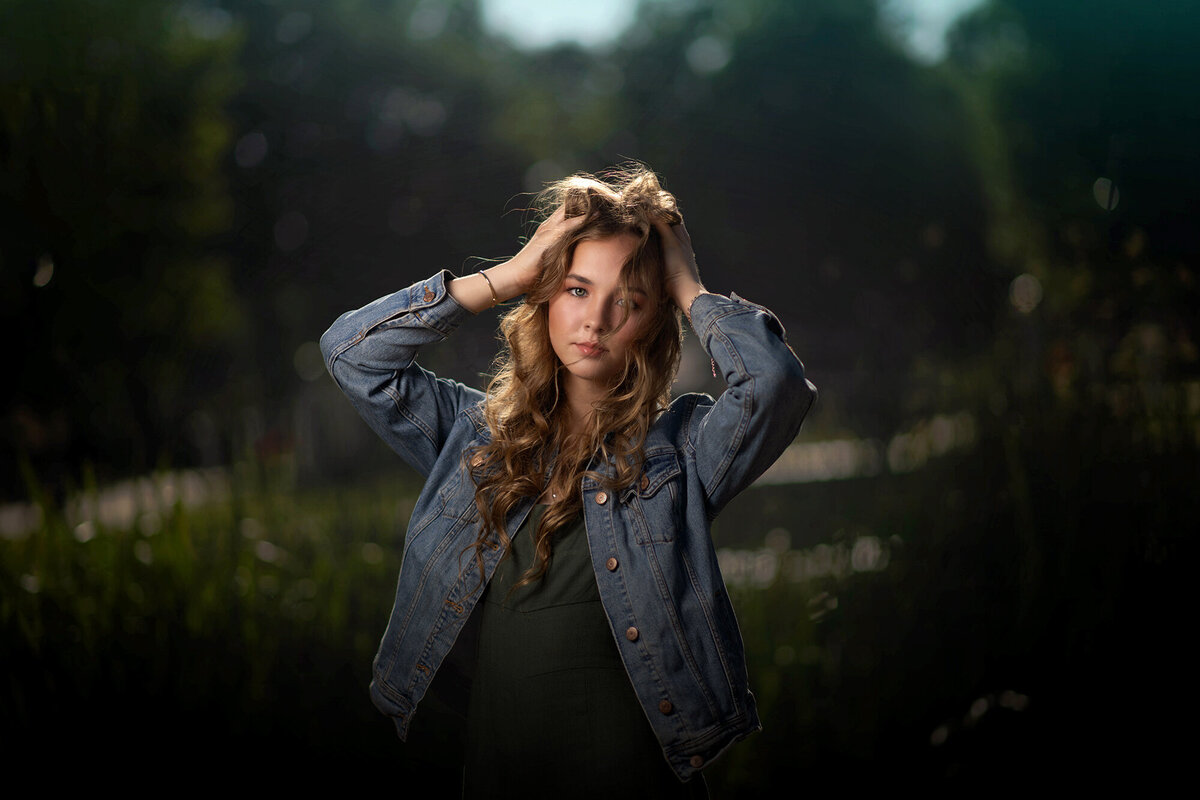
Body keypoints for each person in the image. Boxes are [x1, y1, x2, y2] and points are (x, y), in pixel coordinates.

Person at [320, 165, 816, 797]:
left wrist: (687, 285)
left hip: (628, 782)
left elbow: (776, 387)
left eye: (629, 301)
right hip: (499, 777)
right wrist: (509, 275)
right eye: (578, 290)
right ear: (546, 296)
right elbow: (351, 355)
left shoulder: (681, 453)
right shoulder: (475, 440)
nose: (597, 320)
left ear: (654, 323)